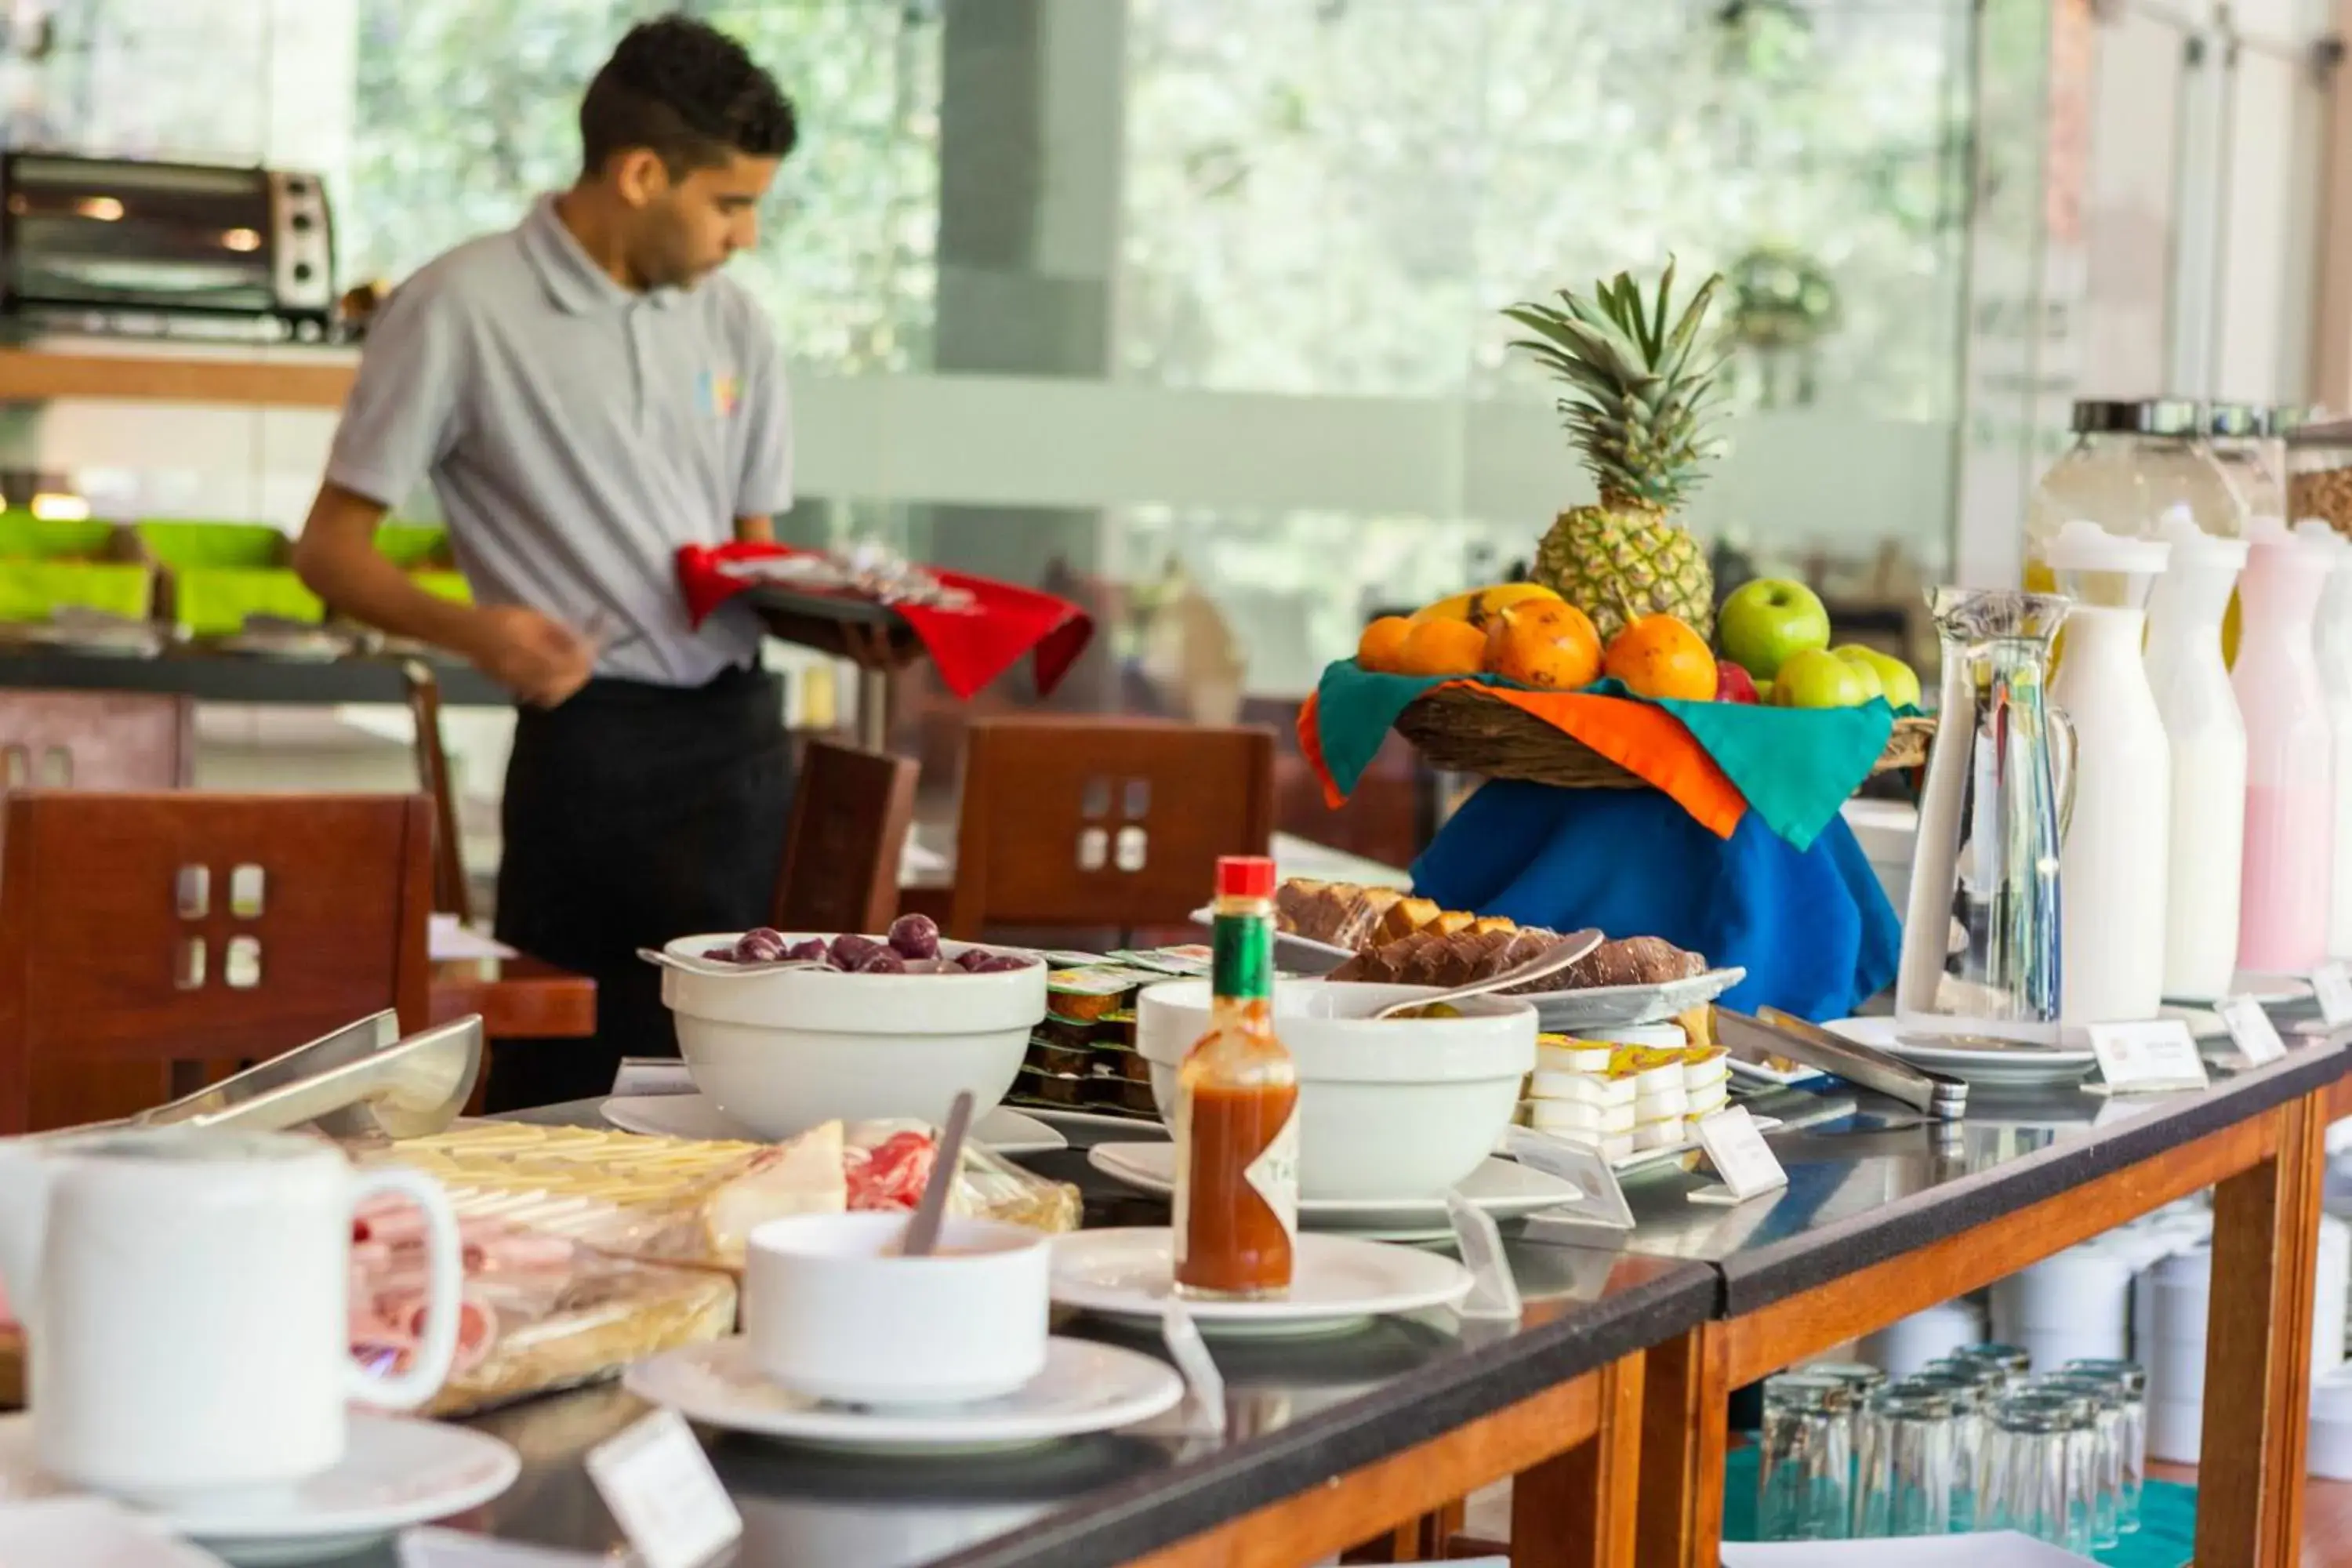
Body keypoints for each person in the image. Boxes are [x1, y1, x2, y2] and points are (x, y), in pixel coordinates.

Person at [294, 15, 800, 1109]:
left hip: (745, 744)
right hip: (590, 753)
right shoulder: (458, 307)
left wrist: (850, 617)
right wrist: (481, 633)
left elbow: (756, 557)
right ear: (641, 173)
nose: (746, 237)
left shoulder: (738, 327)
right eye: (730, 203)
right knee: (562, 1090)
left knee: (739, 1098)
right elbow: (327, 551)